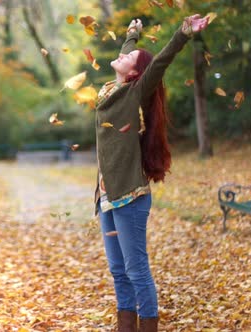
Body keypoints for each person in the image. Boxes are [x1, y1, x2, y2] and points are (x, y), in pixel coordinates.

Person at [94, 15, 209, 332]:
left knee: (136, 270)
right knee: (118, 270)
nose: (123, 53)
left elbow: (158, 64)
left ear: (134, 73)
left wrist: (183, 33)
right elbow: (129, 51)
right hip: (106, 195)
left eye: (129, 56)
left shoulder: (134, 94)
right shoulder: (109, 90)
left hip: (130, 198)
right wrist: (132, 34)